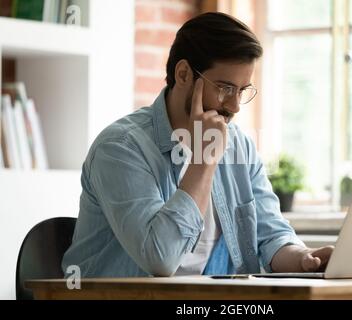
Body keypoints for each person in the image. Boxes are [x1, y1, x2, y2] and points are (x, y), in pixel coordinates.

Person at [62, 12, 333, 277]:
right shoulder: (121, 149)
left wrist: (304, 259)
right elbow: (160, 259)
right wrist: (203, 162)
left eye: (242, 91)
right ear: (183, 74)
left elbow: (270, 236)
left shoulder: (239, 146)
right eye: (225, 88)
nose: (235, 106)